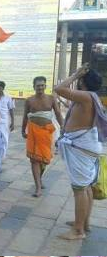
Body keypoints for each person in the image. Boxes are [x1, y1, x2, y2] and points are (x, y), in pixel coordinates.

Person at [55, 64, 106, 240]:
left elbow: (58, 88)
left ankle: (78, 231)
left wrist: (75, 74)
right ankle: (84, 222)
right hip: (85, 148)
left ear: (83, 81)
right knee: (86, 187)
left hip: (81, 149)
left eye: (79, 79)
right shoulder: (89, 97)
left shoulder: (86, 96)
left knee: (79, 188)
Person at [22, 76, 63, 197]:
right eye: (38, 85)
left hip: (46, 132)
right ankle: (38, 187)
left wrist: (63, 127)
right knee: (34, 160)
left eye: (42, 85)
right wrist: (22, 130)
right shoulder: (29, 100)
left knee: (44, 160)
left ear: (45, 86)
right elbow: (25, 116)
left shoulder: (51, 99)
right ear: (33, 86)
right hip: (33, 131)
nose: (40, 87)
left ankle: (39, 179)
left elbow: (58, 113)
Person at [0, 81, 15, 158]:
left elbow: (11, 110)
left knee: (5, 138)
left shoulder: (8, 97)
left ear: (2, 88)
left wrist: (13, 122)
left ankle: (2, 156)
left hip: (4, 121)